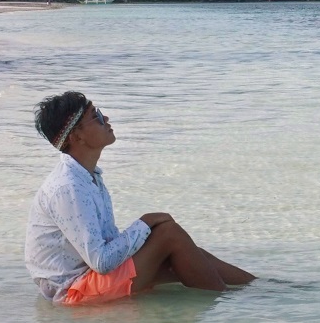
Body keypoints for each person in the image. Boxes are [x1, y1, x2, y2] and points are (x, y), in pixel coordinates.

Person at [24, 90, 255, 303]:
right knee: (168, 234)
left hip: (88, 278)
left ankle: (262, 291)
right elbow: (101, 262)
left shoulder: (88, 175)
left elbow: (105, 245)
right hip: (73, 292)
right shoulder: (68, 187)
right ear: (77, 136)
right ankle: (233, 310)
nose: (107, 119)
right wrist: (144, 223)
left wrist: (146, 230)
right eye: (97, 117)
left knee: (187, 255)